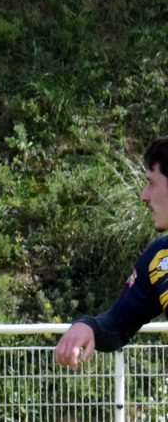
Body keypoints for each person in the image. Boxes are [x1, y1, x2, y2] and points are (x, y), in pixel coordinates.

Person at [54, 136, 168, 369]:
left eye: (152, 183)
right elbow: (117, 324)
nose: (143, 196)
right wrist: (88, 326)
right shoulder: (158, 259)